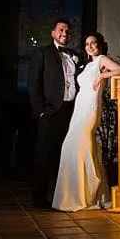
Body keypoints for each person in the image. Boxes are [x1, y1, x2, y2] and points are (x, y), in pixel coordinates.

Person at [52, 33, 120, 211]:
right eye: (87, 44)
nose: (90, 46)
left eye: (94, 43)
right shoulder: (88, 64)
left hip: (90, 107)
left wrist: (102, 76)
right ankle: (80, 194)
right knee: (73, 146)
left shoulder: (102, 59)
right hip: (80, 107)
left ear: (100, 45)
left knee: (80, 144)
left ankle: (87, 193)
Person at [27, 19, 82, 208]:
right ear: (53, 33)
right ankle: (39, 199)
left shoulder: (75, 55)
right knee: (43, 155)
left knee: (63, 155)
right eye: (61, 30)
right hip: (50, 112)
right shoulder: (42, 53)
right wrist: (40, 111)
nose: (64, 33)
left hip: (71, 112)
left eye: (67, 31)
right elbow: (33, 84)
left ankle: (61, 197)